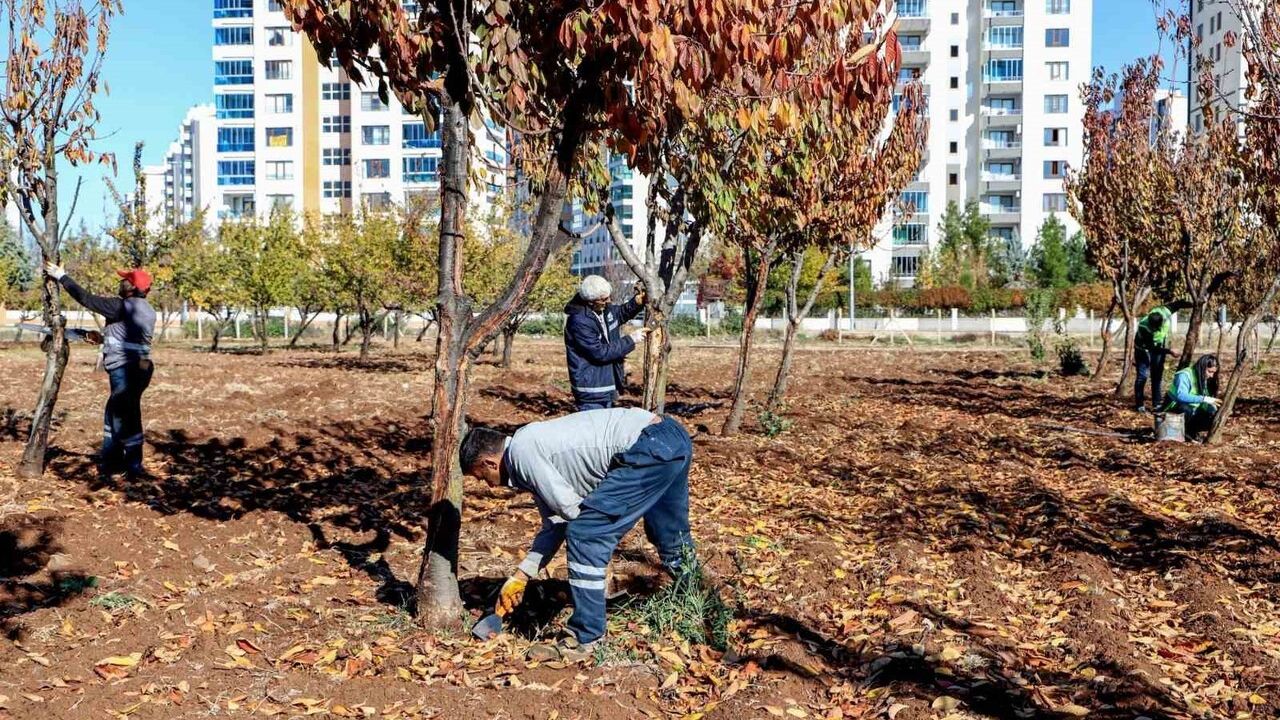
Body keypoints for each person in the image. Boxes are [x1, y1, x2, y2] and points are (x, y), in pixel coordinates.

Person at [460, 408, 695, 661]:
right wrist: (520, 576)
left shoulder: (522, 453)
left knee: (585, 534)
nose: (488, 485)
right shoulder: (528, 446)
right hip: (672, 437)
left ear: (489, 463)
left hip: (648, 447)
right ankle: (692, 598)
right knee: (668, 531)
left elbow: (572, 513)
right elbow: (555, 524)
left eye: (482, 477)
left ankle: (586, 637)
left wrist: (591, 535)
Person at [44, 262, 156, 477]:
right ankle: (113, 460)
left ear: (132, 288)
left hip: (126, 369)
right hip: (138, 368)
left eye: (124, 280)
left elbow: (86, 299)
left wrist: (62, 276)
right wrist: (103, 338)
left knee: (123, 415)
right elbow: (130, 337)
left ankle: (132, 465)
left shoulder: (123, 306)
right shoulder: (143, 310)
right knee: (117, 412)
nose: (120, 282)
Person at [563, 275, 648, 411]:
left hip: (605, 386)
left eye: (608, 297)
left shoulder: (603, 309)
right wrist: (631, 339)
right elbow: (600, 352)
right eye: (603, 299)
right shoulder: (579, 321)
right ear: (590, 301)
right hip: (591, 390)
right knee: (595, 430)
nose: (608, 301)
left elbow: (619, 314)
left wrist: (637, 302)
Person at [1134, 303, 1186, 413]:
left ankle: (1157, 403)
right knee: (1142, 376)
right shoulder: (1144, 327)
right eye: (1155, 328)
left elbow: (1178, 303)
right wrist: (1170, 351)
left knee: (1157, 376)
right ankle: (1139, 405)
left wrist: (1196, 303)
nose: (1157, 330)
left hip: (1158, 347)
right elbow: (1151, 348)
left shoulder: (1164, 313)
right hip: (1143, 349)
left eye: (1159, 327)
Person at [1164, 354, 1221, 440]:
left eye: (1214, 372)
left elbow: (1205, 403)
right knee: (1186, 408)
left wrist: (1214, 412)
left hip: (1192, 412)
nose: (1211, 376)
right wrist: (1204, 399)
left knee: (1213, 417)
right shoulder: (1185, 375)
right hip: (1173, 411)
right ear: (1202, 367)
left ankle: (1190, 432)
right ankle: (1183, 433)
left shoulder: (1203, 378)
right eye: (1210, 371)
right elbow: (1181, 395)